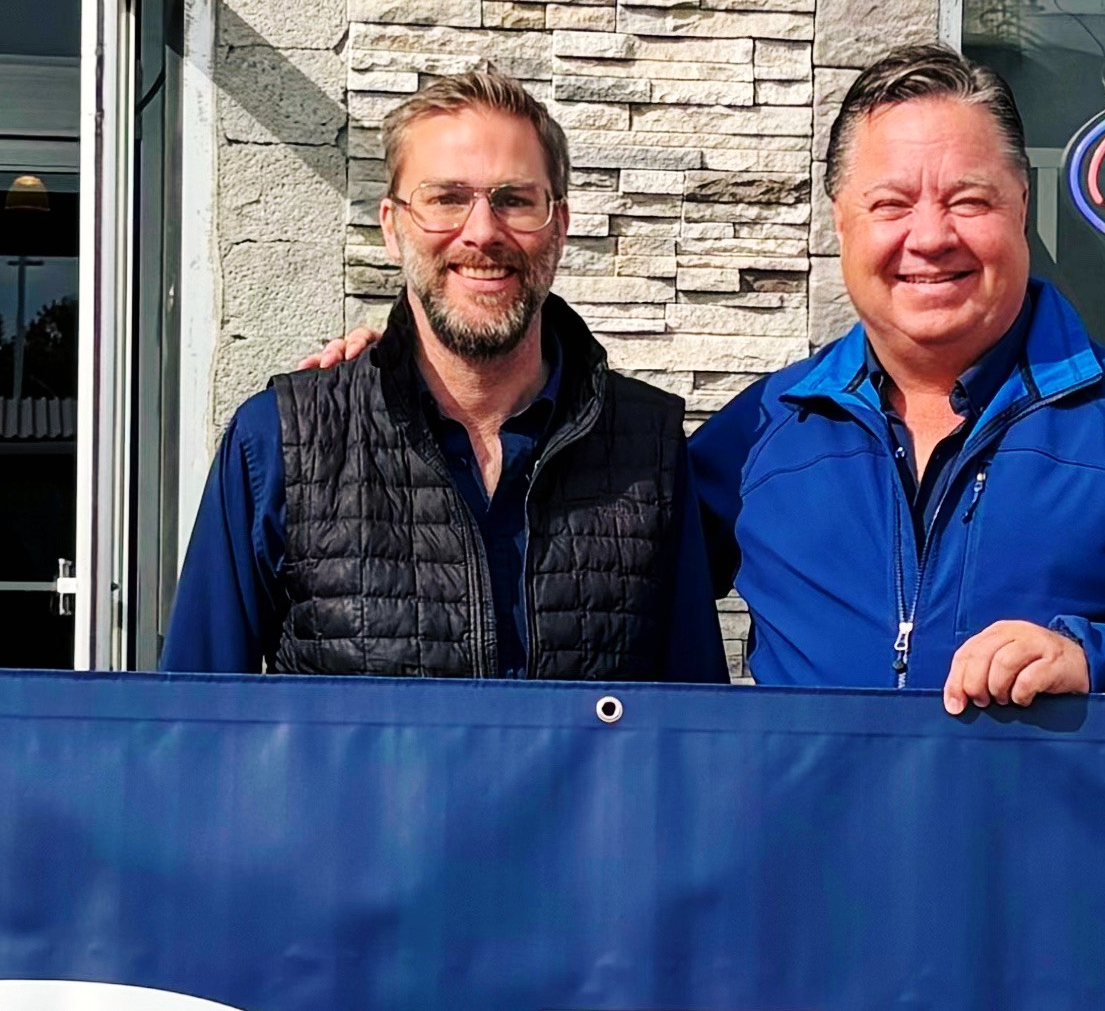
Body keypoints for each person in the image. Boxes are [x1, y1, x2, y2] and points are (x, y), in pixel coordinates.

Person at [690, 41, 1105, 713]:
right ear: (841, 221)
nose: (931, 236)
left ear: (1020, 206)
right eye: (891, 205)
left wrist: (1096, 660)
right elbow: (620, 597)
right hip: (818, 821)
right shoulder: (765, 429)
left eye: (968, 200)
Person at [165, 63, 722, 683]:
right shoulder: (278, 444)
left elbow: (695, 737)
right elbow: (197, 726)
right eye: (446, 199)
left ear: (559, 227)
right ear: (393, 227)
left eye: (514, 200)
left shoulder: (650, 446)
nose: (482, 232)